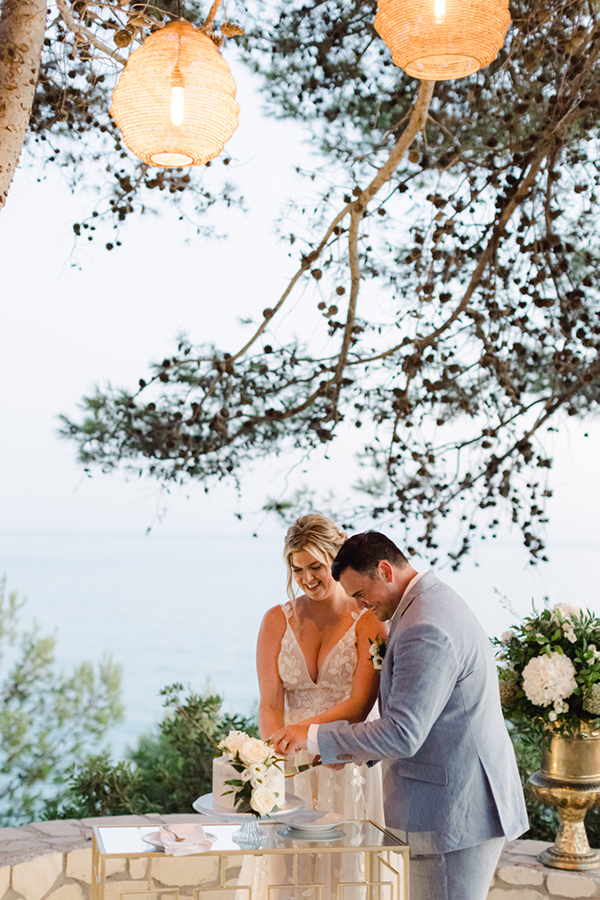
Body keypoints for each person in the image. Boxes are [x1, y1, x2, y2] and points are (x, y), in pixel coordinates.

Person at [271, 531, 528, 900]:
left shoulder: (424, 628)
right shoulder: (431, 601)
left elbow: (403, 733)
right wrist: (351, 751)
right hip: (457, 803)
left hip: (451, 814)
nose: (359, 606)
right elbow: (422, 713)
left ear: (385, 570)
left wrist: (312, 737)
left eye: (360, 594)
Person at [256, 514, 385, 821]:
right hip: (290, 758)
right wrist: (277, 762)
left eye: (315, 566)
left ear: (337, 559)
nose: (306, 578)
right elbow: (270, 703)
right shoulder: (276, 620)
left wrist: (310, 736)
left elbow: (360, 705)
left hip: (345, 758)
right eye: (297, 569)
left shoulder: (369, 621)